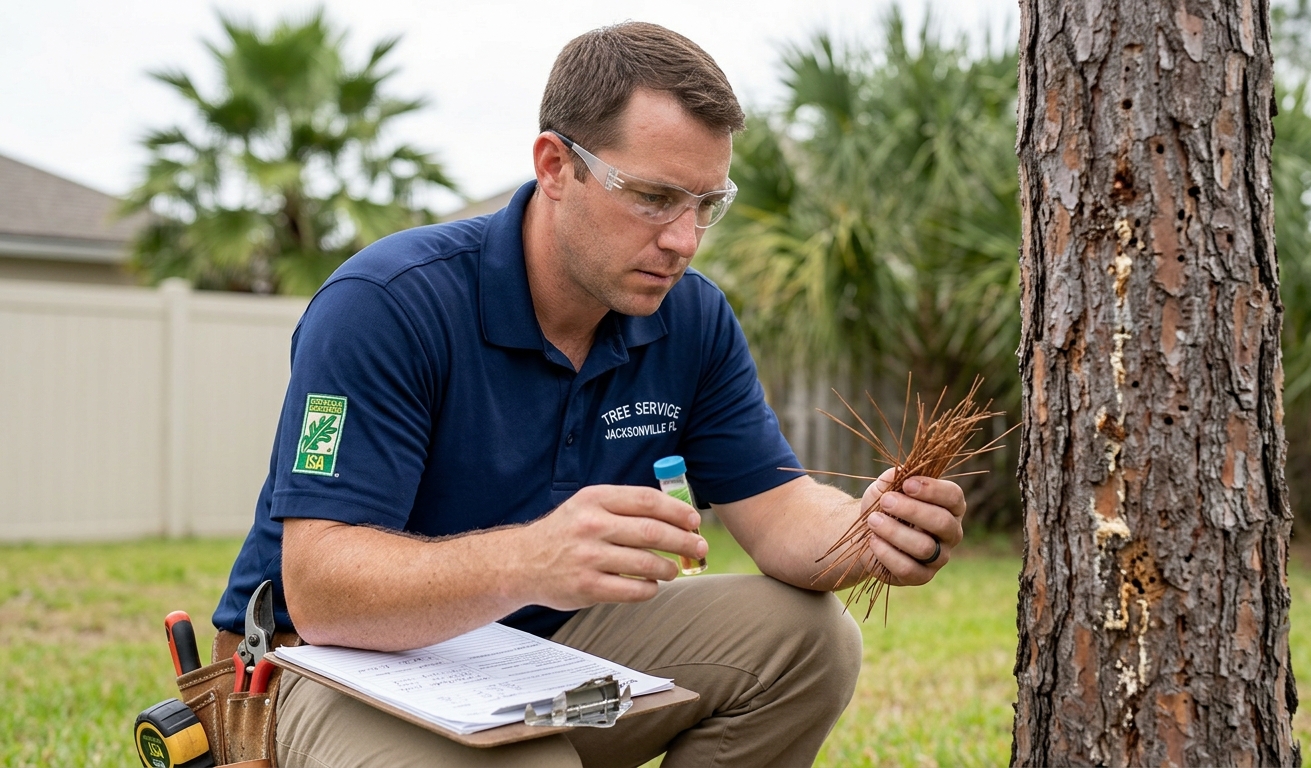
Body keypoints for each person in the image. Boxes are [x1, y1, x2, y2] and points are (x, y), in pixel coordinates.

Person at [213, 21, 966, 768]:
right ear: (554, 165)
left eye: (706, 203)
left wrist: (870, 529)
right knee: (525, 761)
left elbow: (781, 512)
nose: (684, 239)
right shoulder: (389, 304)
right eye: (653, 197)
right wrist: (531, 559)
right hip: (314, 667)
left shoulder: (691, 318)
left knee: (810, 640)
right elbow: (321, 591)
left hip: (539, 652)